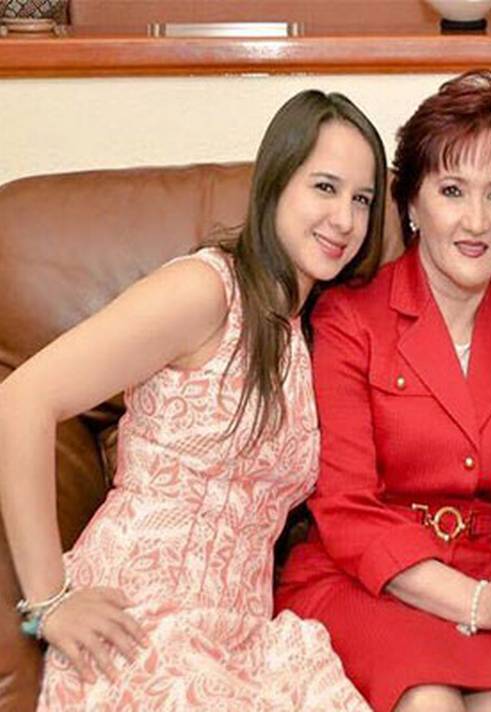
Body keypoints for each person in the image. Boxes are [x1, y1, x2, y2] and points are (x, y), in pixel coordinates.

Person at [0, 89, 387, 710]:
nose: (344, 218)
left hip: (245, 634)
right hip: (139, 618)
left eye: (362, 199)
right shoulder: (206, 290)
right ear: (275, 184)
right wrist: (48, 600)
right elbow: (21, 398)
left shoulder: (306, 334)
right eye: (325, 187)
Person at [275, 71, 491, 712]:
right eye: (452, 190)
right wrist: (481, 603)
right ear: (410, 202)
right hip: (364, 580)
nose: (476, 221)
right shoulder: (350, 319)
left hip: (482, 568)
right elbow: (346, 507)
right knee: (428, 700)